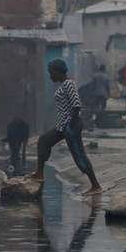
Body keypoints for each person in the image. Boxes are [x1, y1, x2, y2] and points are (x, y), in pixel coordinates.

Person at [32, 59, 102, 195]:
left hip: (70, 126)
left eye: (51, 73)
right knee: (44, 141)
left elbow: (76, 104)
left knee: (79, 155)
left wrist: (70, 124)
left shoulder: (68, 84)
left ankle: (95, 186)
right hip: (63, 126)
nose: (50, 76)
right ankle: (39, 173)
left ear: (58, 72)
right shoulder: (64, 84)